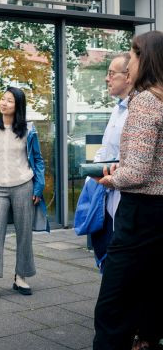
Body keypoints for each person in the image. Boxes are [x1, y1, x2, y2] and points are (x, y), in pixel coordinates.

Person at [93, 31, 163, 350]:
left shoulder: (145, 101)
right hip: (158, 214)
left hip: (139, 213)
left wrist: (110, 178)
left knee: (113, 307)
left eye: (132, 56)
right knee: (149, 292)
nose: (129, 62)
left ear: (143, 60)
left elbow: (136, 171)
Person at [0, 86, 47, 301]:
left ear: (18, 106)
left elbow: (38, 160)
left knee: (24, 233)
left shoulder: (29, 129)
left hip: (23, 185)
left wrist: (38, 188)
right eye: (3, 99)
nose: (4, 103)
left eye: (9, 101)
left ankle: (20, 277)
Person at [89, 53, 132, 270]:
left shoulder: (136, 111)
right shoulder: (117, 109)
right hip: (105, 192)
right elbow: (106, 149)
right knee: (103, 248)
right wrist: (93, 168)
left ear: (128, 76)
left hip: (124, 195)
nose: (107, 78)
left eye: (112, 73)